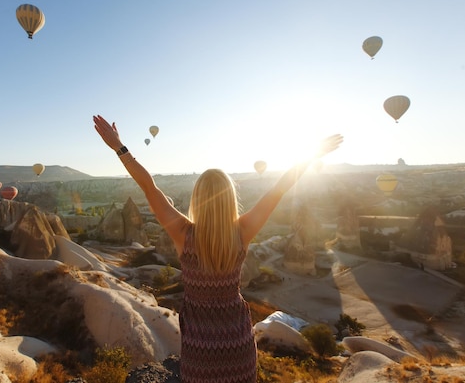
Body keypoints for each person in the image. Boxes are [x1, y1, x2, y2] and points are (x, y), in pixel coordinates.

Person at [93, 114, 343, 383]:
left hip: (200, 354)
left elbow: (149, 187)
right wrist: (310, 156)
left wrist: (119, 148)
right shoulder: (242, 232)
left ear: (198, 198)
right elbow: (278, 190)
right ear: (230, 199)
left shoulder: (182, 233)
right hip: (238, 348)